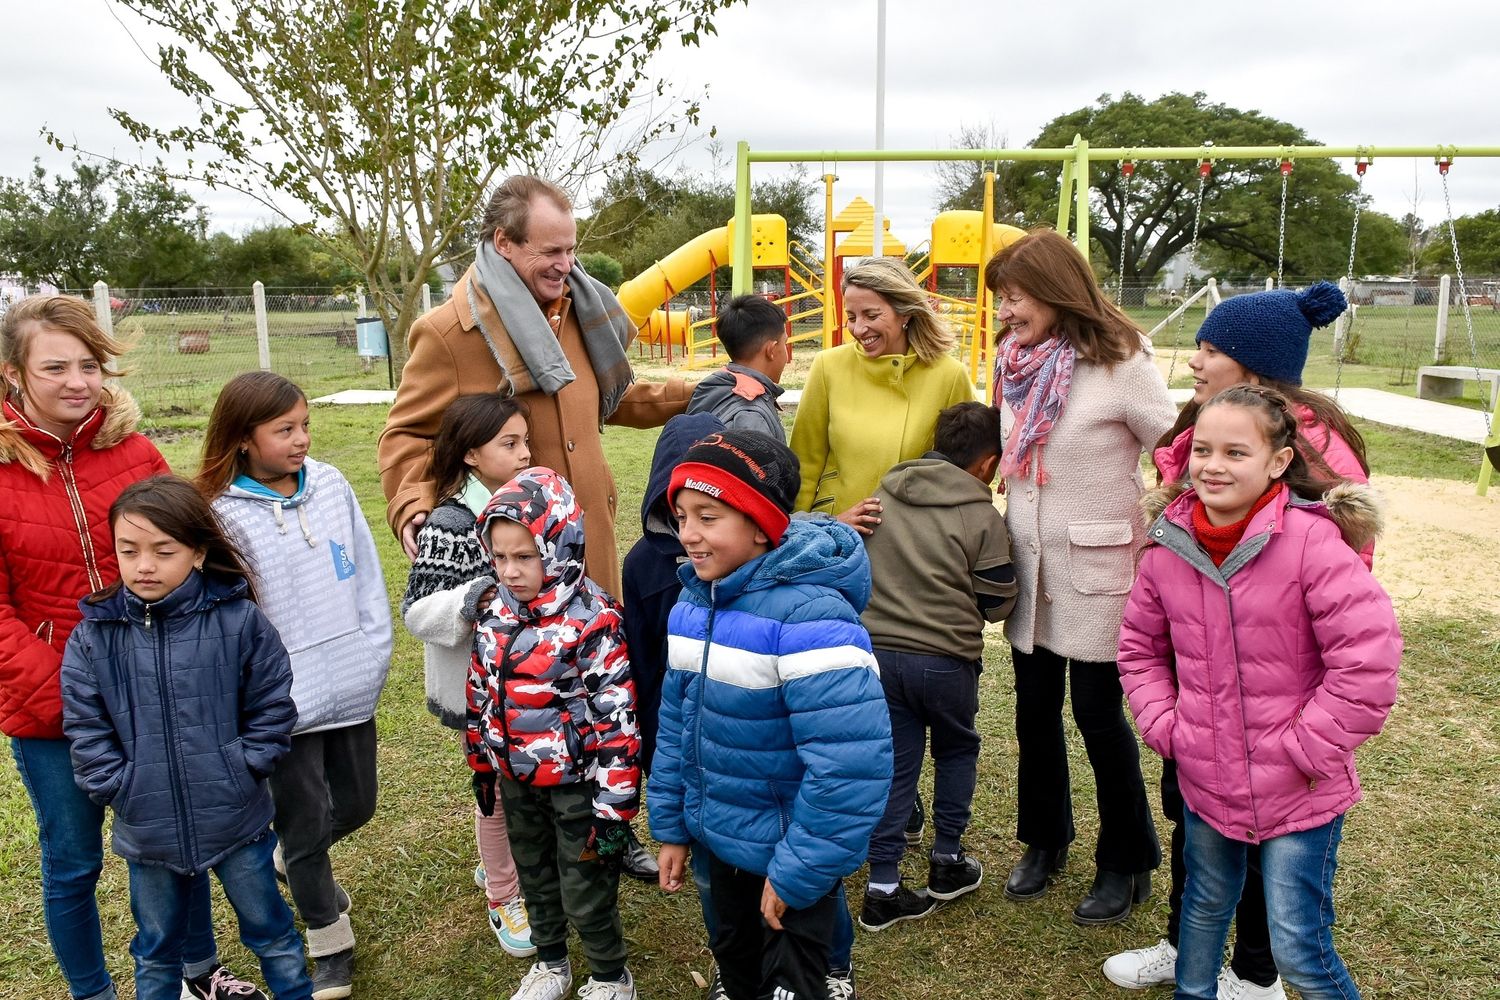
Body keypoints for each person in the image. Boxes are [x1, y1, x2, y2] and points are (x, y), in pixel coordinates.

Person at [1105, 281, 1369, 997]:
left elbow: (1348, 626)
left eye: (1211, 348)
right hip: (1201, 699)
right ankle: (1193, 950)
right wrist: (1169, 721)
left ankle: (1255, 972)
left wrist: (1301, 742)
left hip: (1278, 715)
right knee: (1201, 841)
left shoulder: (1314, 465)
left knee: (1276, 874)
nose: (1195, 360)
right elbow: (1154, 617)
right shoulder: (1197, 446)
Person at [0, 295, 260, 1000]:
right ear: (15, 372)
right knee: (73, 861)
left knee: (182, 841)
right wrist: (76, 697)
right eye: (55, 366)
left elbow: (184, 552)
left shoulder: (135, 450)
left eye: (89, 363)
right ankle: (94, 992)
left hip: (159, 692)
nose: (77, 381)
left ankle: (199, 972)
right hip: (51, 708)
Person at [650, 430, 893, 1000]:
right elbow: (675, 728)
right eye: (681, 515)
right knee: (735, 961)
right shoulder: (693, 604)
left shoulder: (812, 619)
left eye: (707, 517)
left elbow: (850, 766)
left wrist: (797, 868)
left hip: (788, 852)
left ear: (760, 525)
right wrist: (671, 826)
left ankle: (830, 972)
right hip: (716, 839)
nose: (688, 534)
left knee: (791, 979)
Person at [378, 174, 692, 598]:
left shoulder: (581, 312)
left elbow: (605, 401)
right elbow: (405, 435)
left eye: (570, 249)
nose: (566, 265)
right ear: (504, 242)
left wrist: (697, 395)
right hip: (517, 569)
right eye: (551, 251)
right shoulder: (447, 334)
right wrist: (413, 499)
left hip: (591, 544)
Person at [60, 475, 312, 1000]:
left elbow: (272, 703)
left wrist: (244, 766)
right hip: (146, 829)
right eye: (128, 551)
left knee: (273, 934)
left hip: (235, 817)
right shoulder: (93, 635)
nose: (143, 565)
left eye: (162, 550)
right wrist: (118, 785)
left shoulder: (239, 620)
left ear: (197, 553)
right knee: (155, 950)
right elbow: (85, 724)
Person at [986, 230, 1174, 924]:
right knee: (1034, 716)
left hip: (1101, 573)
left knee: (1098, 718)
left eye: (1016, 295)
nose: (1006, 310)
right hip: (1032, 573)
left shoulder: (1124, 363)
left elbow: (1178, 457)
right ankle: (1044, 841)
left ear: (1057, 289)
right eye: (1001, 299)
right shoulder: (1014, 362)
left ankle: (1127, 859)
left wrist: (1156, 541)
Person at [199, 372, 393, 1000]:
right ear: (243, 440)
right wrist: (253, 690)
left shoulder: (333, 485)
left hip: (349, 682)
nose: (302, 439)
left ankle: (292, 857)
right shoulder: (220, 514)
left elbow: (361, 569)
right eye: (285, 430)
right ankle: (328, 940)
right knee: (305, 822)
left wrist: (373, 646)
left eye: (304, 425)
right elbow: (230, 615)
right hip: (281, 700)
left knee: (357, 804)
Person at [466, 467, 641, 1000]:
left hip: (577, 784)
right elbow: (480, 690)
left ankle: (611, 975)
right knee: (534, 875)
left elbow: (618, 720)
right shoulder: (494, 612)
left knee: (583, 881)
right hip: (516, 777)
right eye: (499, 558)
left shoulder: (593, 620)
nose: (511, 571)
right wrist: (481, 760)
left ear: (559, 544)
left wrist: (615, 811)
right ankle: (551, 963)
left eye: (525, 556)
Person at [857, 401, 1018, 932]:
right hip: (947, 662)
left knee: (896, 764)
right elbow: (998, 603)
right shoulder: (980, 516)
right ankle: (947, 861)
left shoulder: (884, 494)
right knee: (955, 751)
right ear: (986, 463)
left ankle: (882, 885)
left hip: (880, 656)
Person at [398, 393, 535, 957]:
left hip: (522, 685)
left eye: (526, 441)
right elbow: (417, 611)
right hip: (474, 694)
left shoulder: (522, 507)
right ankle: (504, 894)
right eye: (511, 444)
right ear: (472, 454)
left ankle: (500, 865)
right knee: (496, 795)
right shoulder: (452, 523)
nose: (526, 454)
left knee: (519, 786)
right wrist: (475, 596)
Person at [789, 257, 975, 534]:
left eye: (872, 315)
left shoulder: (950, 375)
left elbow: (963, 472)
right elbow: (804, 463)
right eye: (851, 317)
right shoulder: (828, 366)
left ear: (905, 314)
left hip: (915, 537)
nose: (859, 329)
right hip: (835, 532)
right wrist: (800, 530)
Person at [686, 294, 789, 440]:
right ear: (771, 350)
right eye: (785, 343)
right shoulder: (751, 418)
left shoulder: (711, 387)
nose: (787, 355)